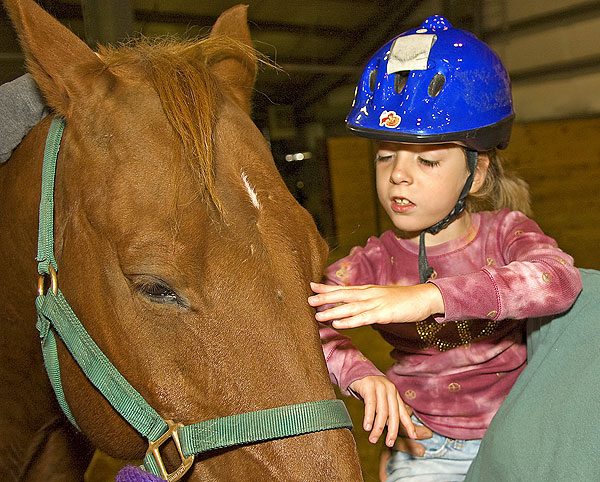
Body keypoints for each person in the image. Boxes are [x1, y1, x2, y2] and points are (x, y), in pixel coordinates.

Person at [308, 15, 582, 481]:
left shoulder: (505, 233)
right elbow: (306, 319)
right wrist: (360, 374)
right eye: (385, 155)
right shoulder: (370, 262)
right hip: (426, 446)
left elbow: (558, 279)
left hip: (520, 432)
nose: (398, 174)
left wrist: (431, 296)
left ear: (475, 174)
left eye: (428, 159)